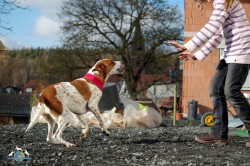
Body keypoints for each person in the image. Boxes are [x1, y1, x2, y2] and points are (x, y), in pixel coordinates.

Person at [168, 0, 250, 147]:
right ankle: (218, 134)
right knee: (215, 88)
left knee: (231, 91)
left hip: (242, 50)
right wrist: (196, 54)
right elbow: (217, 35)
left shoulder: (224, 0)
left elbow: (211, 27)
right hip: (230, 53)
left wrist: (188, 45)